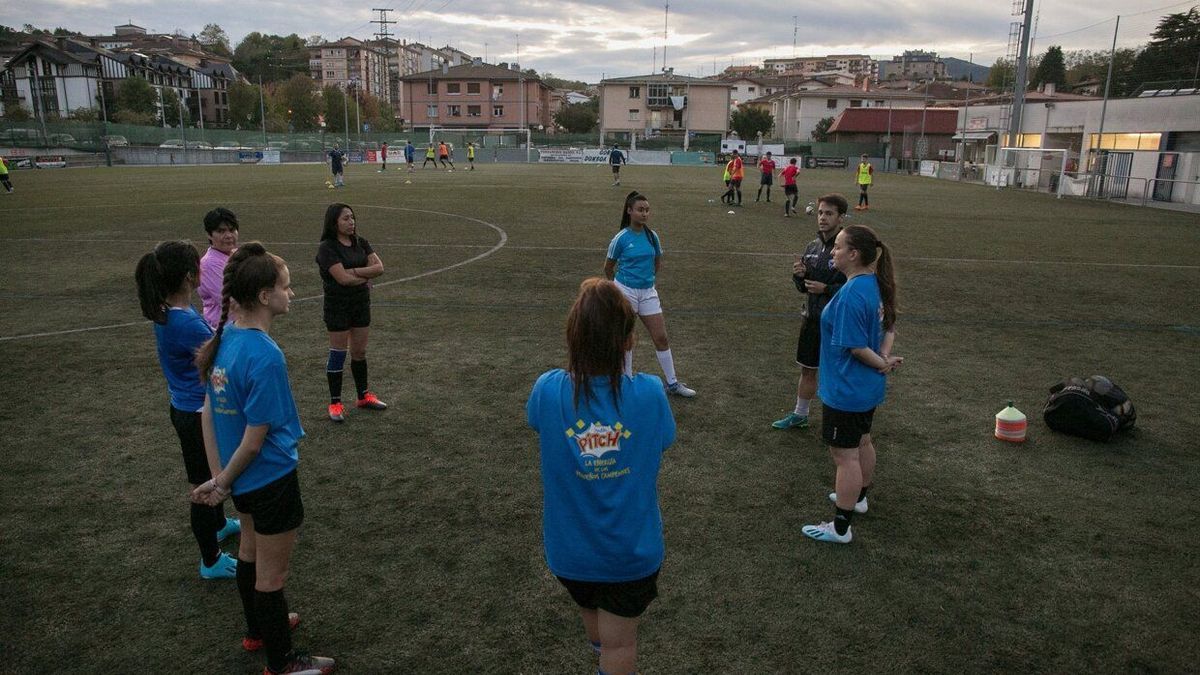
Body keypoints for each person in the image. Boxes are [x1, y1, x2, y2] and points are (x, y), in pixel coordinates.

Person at [191, 243, 335, 674]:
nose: (291, 294)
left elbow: (207, 415)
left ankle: (258, 629)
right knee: (271, 578)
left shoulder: (226, 339)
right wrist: (222, 482)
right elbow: (255, 440)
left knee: (251, 553)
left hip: (246, 484)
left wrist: (222, 478)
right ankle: (282, 662)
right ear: (263, 297)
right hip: (269, 479)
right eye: (286, 287)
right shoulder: (265, 354)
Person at [526, 277, 676, 675]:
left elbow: (535, 422)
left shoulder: (547, 389)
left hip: (569, 553)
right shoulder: (648, 392)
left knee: (599, 627)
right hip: (630, 553)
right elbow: (664, 439)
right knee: (620, 643)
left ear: (572, 337)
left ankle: (602, 656)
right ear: (628, 341)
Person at [134, 241, 241, 580]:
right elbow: (222, 354)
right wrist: (239, 316)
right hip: (195, 414)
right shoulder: (183, 323)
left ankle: (220, 524)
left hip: (186, 408)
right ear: (188, 276)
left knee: (213, 469)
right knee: (203, 484)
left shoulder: (171, 311)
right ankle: (210, 560)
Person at [802, 223, 902, 545]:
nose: (833, 251)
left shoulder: (849, 296)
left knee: (844, 456)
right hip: (866, 389)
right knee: (862, 442)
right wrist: (883, 358)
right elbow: (890, 327)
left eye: (839, 247)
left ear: (854, 254)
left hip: (846, 390)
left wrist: (881, 362)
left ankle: (841, 528)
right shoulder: (875, 284)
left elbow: (856, 348)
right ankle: (859, 499)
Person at [604, 191, 696, 398]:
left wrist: (648, 281)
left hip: (647, 292)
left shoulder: (652, 236)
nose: (644, 214)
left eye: (647, 210)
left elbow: (657, 261)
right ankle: (625, 381)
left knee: (661, 337)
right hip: (625, 291)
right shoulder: (620, 238)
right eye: (640, 210)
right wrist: (616, 290)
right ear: (629, 211)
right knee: (626, 338)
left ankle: (673, 383)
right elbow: (608, 267)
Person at [773, 194, 847, 430]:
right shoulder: (812, 246)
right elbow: (801, 287)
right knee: (808, 369)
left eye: (829, 213)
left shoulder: (847, 249)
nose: (823, 218)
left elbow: (856, 287)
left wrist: (827, 289)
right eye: (820, 213)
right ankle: (800, 414)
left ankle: (840, 421)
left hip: (838, 323)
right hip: (812, 319)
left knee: (837, 373)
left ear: (840, 217)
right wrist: (799, 275)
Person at [315, 203, 388, 422]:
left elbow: (379, 268)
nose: (351, 222)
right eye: (346, 218)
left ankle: (363, 396)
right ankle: (335, 402)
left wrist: (356, 272)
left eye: (352, 218)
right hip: (337, 305)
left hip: (360, 304)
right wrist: (365, 278)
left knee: (359, 352)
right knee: (338, 353)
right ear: (334, 222)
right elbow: (341, 279)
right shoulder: (327, 248)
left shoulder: (361, 242)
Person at [198, 207, 240, 329]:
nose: (228, 235)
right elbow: (232, 302)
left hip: (239, 327)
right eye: (221, 231)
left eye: (232, 230)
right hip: (224, 332)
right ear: (209, 235)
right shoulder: (209, 264)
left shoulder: (238, 255)